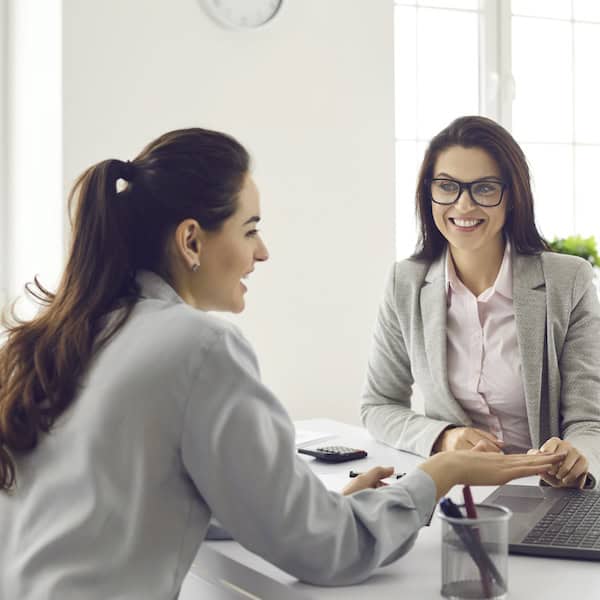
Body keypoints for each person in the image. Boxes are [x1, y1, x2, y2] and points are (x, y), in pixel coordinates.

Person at [0, 128, 565, 599]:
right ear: (191, 241)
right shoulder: (198, 347)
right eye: (250, 229)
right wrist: (437, 477)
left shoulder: (54, 338)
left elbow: (144, 495)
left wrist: (307, 505)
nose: (262, 251)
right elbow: (329, 553)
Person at [361, 115, 600, 490]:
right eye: (447, 186)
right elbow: (378, 406)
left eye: (484, 189)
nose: (464, 204)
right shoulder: (405, 282)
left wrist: (577, 455)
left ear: (512, 196)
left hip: (546, 493)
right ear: (429, 193)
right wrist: (445, 437)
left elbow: (590, 420)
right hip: (457, 494)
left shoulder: (567, 280)